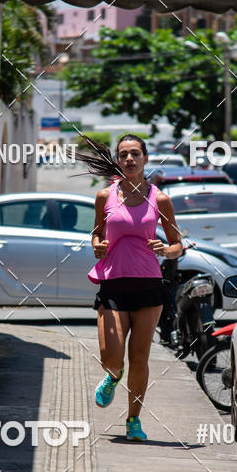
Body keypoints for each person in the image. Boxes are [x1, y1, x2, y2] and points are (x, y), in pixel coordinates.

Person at [87, 134, 183, 441]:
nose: (130, 159)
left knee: (139, 357)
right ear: (118, 161)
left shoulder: (160, 199)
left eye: (135, 154)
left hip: (148, 284)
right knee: (110, 356)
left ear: (145, 159)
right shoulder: (105, 197)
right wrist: (97, 246)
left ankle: (133, 420)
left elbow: (178, 244)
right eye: (124, 154)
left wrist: (166, 251)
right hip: (113, 282)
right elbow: (96, 235)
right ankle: (114, 376)